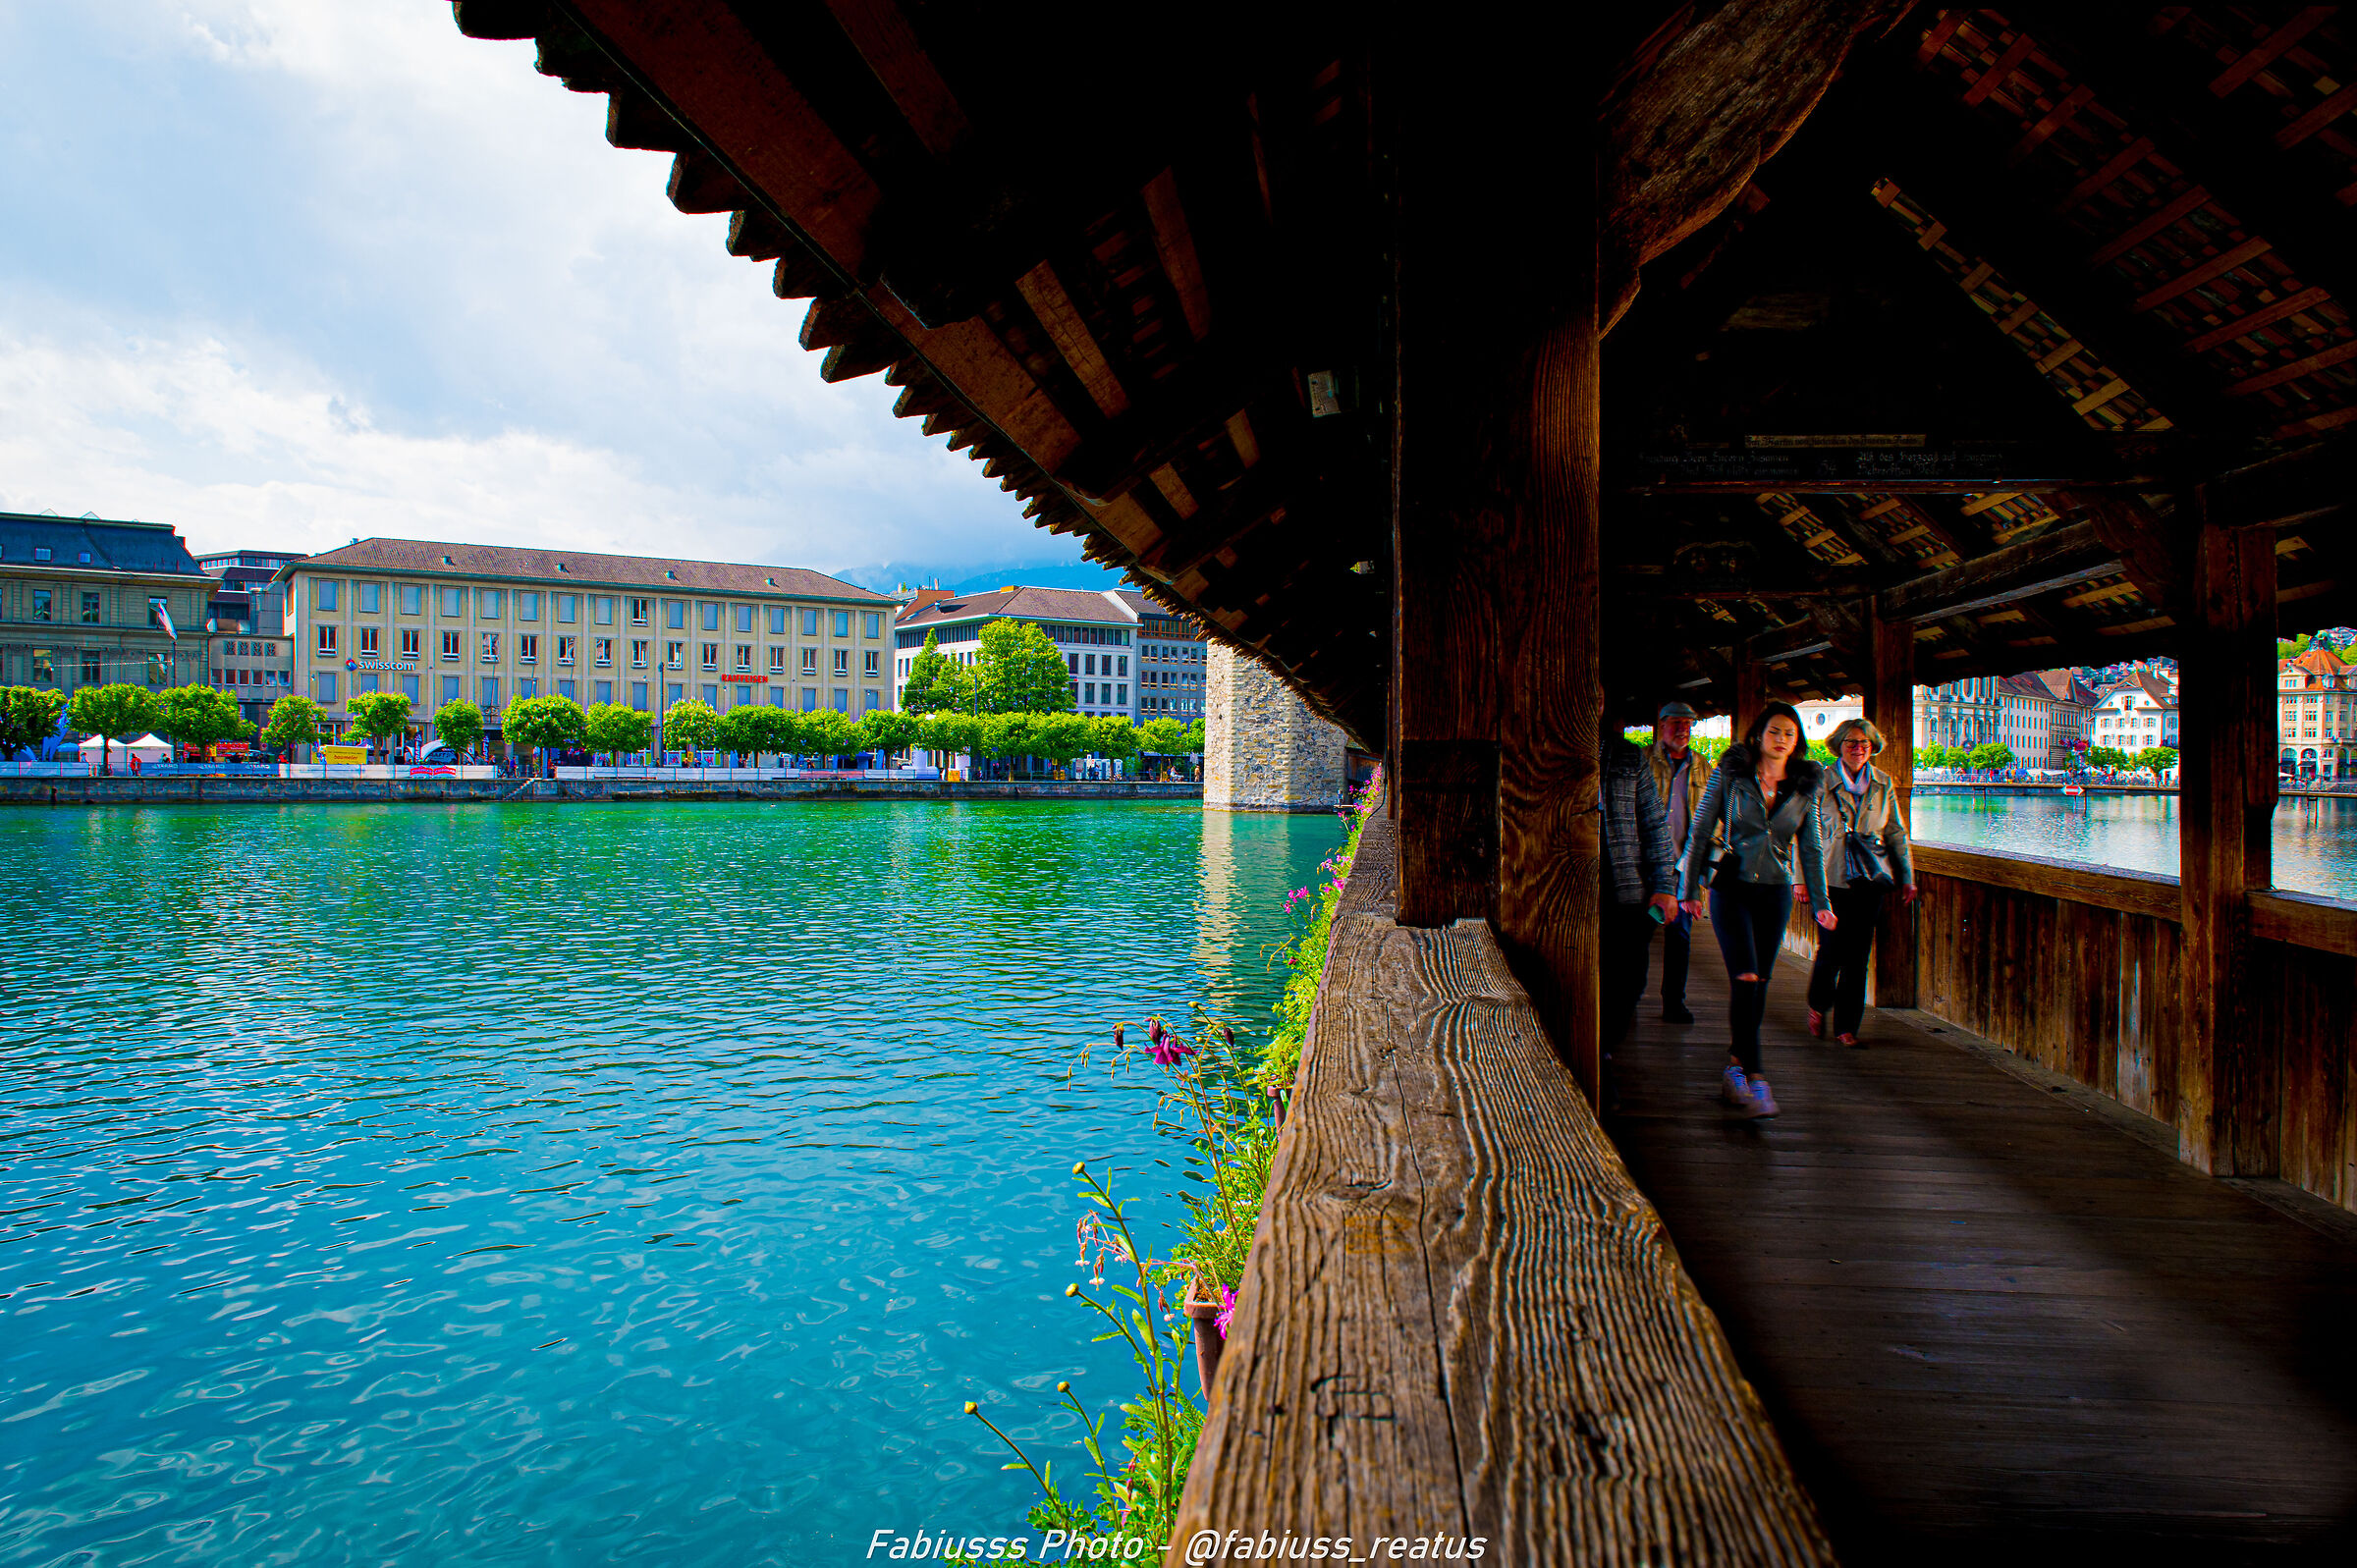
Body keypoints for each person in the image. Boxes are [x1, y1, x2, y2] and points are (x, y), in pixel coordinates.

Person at [1677, 702, 1835, 1119]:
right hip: (1732, 886)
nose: (1781, 739)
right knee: (1745, 975)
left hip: (1775, 892)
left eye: (1789, 733)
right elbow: (1699, 831)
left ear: (1797, 742)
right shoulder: (1731, 775)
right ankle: (1757, 1076)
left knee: (1759, 981)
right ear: (1758, 735)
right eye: (1774, 731)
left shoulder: (1805, 785)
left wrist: (1821, 903)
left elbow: (1812, 848)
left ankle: (1736, 1068)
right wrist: (1688, 888)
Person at [1807, 719, 1917, 1047]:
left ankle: (1847, 1028)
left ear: (1872, 747)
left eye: (1865, 743)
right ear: (1839, 746)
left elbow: (1896, 832)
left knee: (1858, 956)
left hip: (1870, 878)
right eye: (1852, 742)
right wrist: (1801, 880)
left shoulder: (1883, 782)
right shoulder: (1821, 781)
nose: (1858, 748)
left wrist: (1907, 877)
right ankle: (1818, 1003)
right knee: (1831, 950)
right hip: (1831, 878)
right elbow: (1805, 833)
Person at [1599, 730, 1681, 1048]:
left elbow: (1654, 823)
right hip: (1563, 886)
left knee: (1629, 977)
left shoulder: (1628, 756)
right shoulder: (1547, 748)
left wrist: (1664, 885)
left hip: (1624, 883)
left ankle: (1607, 1049)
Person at [1647, 701, 1710, 1024]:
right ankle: (1627, 996)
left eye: (1688, 724)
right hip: (1646, 866)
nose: (1683, 730)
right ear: (1662, 726)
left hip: (1683, 866)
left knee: (1680, 938)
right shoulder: (1644, 760)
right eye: (1676, 723)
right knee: (1639, 934)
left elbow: (1713, 818)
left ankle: (1674, 1002)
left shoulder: (1702, 767)